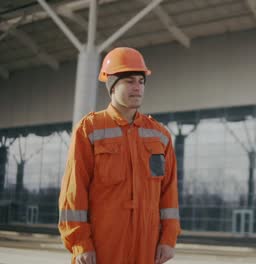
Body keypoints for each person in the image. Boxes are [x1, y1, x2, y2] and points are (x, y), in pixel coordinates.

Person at [58, 47, 180, 264]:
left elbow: (168, 193)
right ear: (112, 86)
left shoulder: (159, 135)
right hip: (102, 246)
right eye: (129, 81)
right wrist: (80, 243)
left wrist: (168, 238)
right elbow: (73, 193)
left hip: (146, 247)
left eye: (141, 81)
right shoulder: (90, 129)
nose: (137, 87)